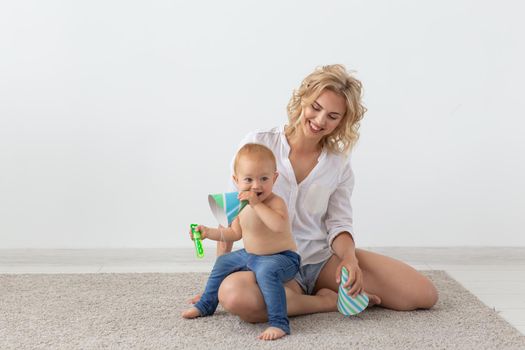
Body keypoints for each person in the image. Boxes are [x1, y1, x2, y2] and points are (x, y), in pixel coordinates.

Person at [191, 64, 438, 324]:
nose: (320, 121)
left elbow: (338, 223)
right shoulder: (258, 143)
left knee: (423, 294)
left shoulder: (338, 163)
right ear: (303, 100)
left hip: (321, 262)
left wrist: (349, 260)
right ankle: (325, 302)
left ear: (342, 121)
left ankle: (306, 296)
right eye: (316, 108)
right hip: (271, 265)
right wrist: (214, 286)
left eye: (333, 116)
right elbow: (231, 212)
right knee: (234, 296)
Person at [182, 143, 300, 341]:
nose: (256, 185)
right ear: (236, 181)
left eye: (264, 178)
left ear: (275, 178)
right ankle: (206, 304)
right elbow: (234, 233)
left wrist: (256, 204)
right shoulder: (240, 206)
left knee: (266, 271)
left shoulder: (275, 202)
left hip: (282, 258)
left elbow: (278, 226)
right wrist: (208, 233)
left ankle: (279, 323)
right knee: (223, 262)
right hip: (251, 255)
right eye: (248, 179)